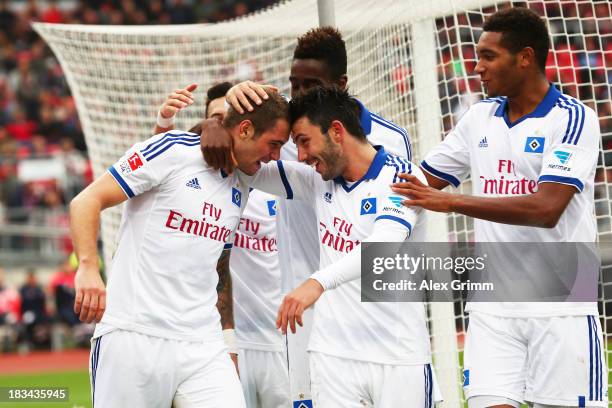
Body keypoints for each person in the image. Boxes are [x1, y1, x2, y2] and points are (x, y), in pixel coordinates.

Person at [391, 8, 606, 408]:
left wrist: (451, 201)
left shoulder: (574, 118)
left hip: (561, 304)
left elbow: (547, 208)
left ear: (525, 57)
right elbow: (418, 185)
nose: (476, 67)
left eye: (488, 56)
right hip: (492, 304)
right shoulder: (478, 117)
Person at [70, 90, 289, 408]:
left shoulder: (245, 180)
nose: (276, 156)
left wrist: (253, 89)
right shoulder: (174, 151)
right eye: (274, 145)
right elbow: (86, 201)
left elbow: (218, 270)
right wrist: (88, 266)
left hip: (202, 342)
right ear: (244, 130)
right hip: (134, 334)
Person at [246, 86, 440, 408]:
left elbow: (383, 245)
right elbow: (247, 163)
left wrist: (317, 281)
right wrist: (236, 108)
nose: (303, 156)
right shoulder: (315, 180)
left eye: (304, 142)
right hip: (332, 356)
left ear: (336, 131)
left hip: (399, 356)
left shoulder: (403, 176)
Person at [154, 81, 291, 408]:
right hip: (215, 341)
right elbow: (164, 165)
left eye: (221, 117)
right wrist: (167, 123)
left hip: (281, 340)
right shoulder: (201, 181)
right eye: (213, 119)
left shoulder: (269, 177)